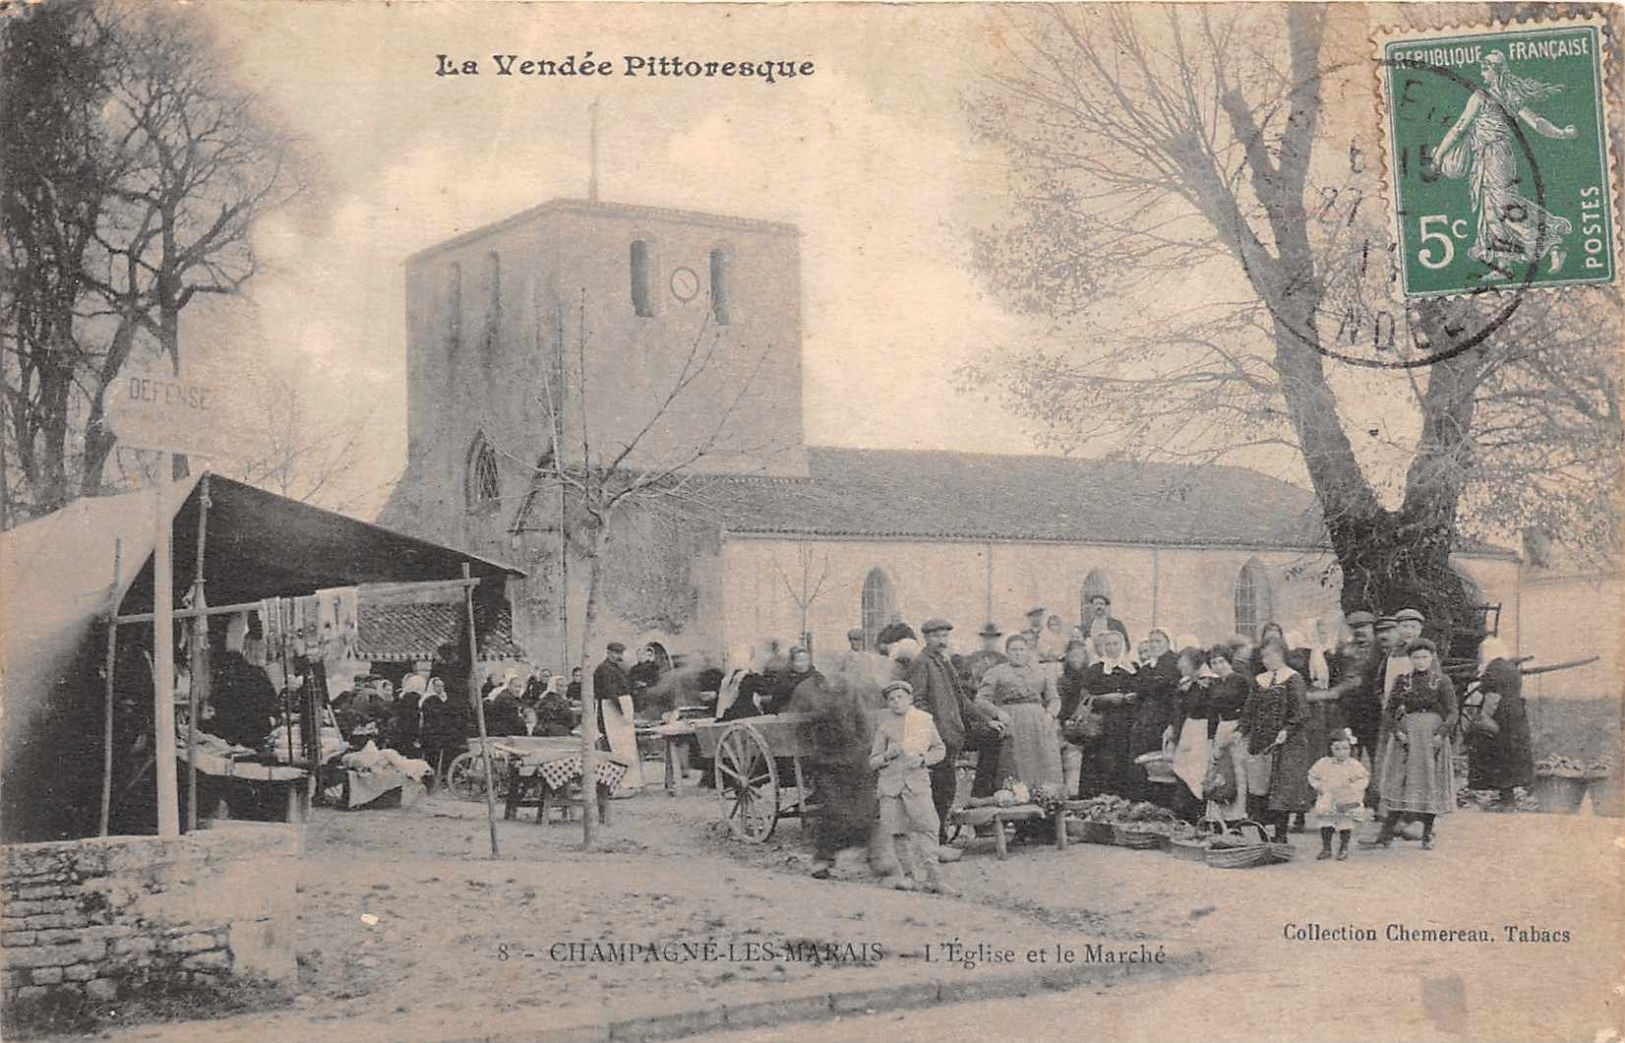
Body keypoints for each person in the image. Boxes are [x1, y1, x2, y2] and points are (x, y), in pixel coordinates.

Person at [1433, 50, 1577, 278]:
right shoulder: (1510, 97)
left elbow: (1459, 127)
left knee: (1504, 206)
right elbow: (1537, 123)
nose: (1482, 72)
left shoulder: (1481, 97)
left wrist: (1439, 155)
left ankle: (1553, 243)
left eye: (1485, 67)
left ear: (1496, 71)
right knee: (1492, 207)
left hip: (1494, 156)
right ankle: (1504, 265)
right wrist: (1561, 133)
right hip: (1494, 156)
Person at [1368, 639, 1457, 851]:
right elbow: (1389, 711)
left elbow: (1453, 711)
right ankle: (1386, 835)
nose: (1421, 661)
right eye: (1416, 657)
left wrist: (1441, 734)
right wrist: (1397, 732)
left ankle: (1428, 834)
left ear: (1432, 657)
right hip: (1407, 735)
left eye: (1425, 657)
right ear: (1410, 659)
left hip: (1431, 736)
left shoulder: (1442, 681)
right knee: (1401, 780)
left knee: (1429, 782)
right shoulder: (1402, 680)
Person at [802, 672, 884, 881]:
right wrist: (816, 755)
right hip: (827, 762)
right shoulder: (812, 698)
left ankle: (869, 856)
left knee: (865, 807)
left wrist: (861, 749)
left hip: (853, 759)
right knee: (833, 810)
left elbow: (865, 725)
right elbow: (802, 730)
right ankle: (823, 859)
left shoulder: (852, 695)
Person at [870, 680, 950, 893]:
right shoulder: (885, 727)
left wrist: (924, 759)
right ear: (888, 703)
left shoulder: (923, 721)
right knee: (897, 831)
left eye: (900, 697)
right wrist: (887, 754)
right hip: (891, 785)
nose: (896, 702)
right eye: (892, 699)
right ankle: (909, 876)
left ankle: (935, 878)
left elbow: (939, 749)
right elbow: (872, 761)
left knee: (928, 827)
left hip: (916, 782)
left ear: (910, 699)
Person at [907, 619, 973, 851]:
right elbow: (917, 701)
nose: (942, 641)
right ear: (926, 637)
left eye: (945, 636)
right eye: (937, 636)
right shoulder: (922, 663)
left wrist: (987, 719)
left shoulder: (943, 663)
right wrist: (932, 731)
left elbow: (961, 699)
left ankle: (939, 833)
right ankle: (935, 837)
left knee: (947, 787)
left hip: (952, 733)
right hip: (937, 737)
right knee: (939, 787)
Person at [1242, 639, 1314, 842]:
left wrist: (1287, 729)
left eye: (1270, 655)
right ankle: (1263, 836)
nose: (1266, 660)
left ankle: (1281, 836)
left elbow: (1301, 711)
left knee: (1281, 790)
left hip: (1287, 743)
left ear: (1281, 655)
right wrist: (1241, 730)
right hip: (1262, 741)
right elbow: (1249, 710)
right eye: (1263, 656)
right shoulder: (1259, 680)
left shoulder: (1293, 678)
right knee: (1260, 787)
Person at [975, 633, 1064, 792]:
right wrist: (997, 713)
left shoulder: (1040, 672)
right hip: (1012, 721)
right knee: (1015, 764)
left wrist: (1050, 714)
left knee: (1043, 762)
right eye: (1013, 650)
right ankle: (1017, 797)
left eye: (1021, 650)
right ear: (1007, 652)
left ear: (1027, 652)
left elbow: (1054, 699)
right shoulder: (996, 672)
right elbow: (981, 700)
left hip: (1039, 723)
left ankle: (1045, 797)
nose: (1018, 653)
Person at [1461, 637, 1534, 808]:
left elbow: (1493, 696)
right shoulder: (1510, 668)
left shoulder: (1493, 669)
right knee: (1511, 754)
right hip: (1515, 716)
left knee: (1498, 754)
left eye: (1481, 652)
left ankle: (1507, 801)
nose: (1479, 656)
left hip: (1500, 715)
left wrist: (1485, 717)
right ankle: (1508, 799)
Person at [1080, 629, 1138, 797]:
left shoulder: (1132, 668)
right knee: (1099, 765)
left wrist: (1131, 697)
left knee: (1121, 764)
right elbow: (1084, 697)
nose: (1112, 648)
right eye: (1108, 645)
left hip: (1124, 725)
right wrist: (1105, 698)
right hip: (1100, 725)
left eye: (1115, 644)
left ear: (1123, 645)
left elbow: (1141, 692)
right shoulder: (1095, 669)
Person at [209, 614, 279, 751]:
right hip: (258, 729)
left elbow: (215, 701)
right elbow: (271, 698)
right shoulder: (257, 673)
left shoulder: (225, 679)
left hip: (233, 732)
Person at [1129, 628, 1181, 803]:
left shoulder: (1174, 663)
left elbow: (1175, 697)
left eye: (1158, 641)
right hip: (1146, 722)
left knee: (1163, 767)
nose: (1154, 645)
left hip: (1164, 720)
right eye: (1151, 641)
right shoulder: (1149, 666)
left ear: (1167, 642)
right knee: (1146, 766)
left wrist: (1172, 724)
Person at [1204, 645, 1250, 824]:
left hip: (1237, 728)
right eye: (1214, 662)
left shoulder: (1240, 681)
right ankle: (1217, 818)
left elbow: (1249, 708)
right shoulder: (1214, 684)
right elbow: (1212, 714)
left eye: (1221, 661)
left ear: (1228, 661)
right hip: (1221, 728)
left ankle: (1237, 817)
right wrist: (1210, 739)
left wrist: (1240, 730)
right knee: (1218, 772)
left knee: (1237, 771)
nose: (1218, 666)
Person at [1307, 730, 1369, 861]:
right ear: (1330, 749)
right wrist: (1319, 787)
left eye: (1346, 748)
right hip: (1328, 798)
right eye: (1337, 749)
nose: (1342, 752)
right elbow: (1312, 775)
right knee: (1326, 822)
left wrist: (1353, 789)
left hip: (1346, 799)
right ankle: (1326, 848)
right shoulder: (1324, 763)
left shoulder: (1354, 765)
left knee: (1345, 823)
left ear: (1350, 749)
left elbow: (1363, 779)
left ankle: (1343, 848)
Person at [593, 642, 644, 793]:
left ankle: (627, 781)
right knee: (612, 745)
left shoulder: (618, 668)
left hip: (620, 708)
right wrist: (622, 711)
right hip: (609, 709)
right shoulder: (603, 669)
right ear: (608, 652)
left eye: (620, 653)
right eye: (615, 653)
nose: (618, 656)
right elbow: (610, 692)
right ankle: (613, 784)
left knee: (625, 745)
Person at [1168, 646, 1211, 820]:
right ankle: (1184, 814)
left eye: (1184, 666)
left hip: (1202, 730)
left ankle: (1198, 814)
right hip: (1187, 730)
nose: (1181, 669)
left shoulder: (1207, 682)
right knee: (1182, 769)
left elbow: (1200, 707)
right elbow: (1178, 709)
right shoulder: (1185, 683)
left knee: (1197, 772)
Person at [1056, 639, 1093, 797]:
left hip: (1089, 724)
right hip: (1070, 724)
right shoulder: (1063, 680)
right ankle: (1071, 793)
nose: (1076, 659)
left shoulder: (1091, 675)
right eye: (1073, 655)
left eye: (1079, 655)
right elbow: (1060, 705)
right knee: (1071, 760)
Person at [418, 676, 462, 783]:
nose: (440, 688)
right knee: (432, 757)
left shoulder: (443, 698)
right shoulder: (429, 699)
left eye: (442, 686)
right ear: (432, 687)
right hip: (431, 732)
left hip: (439, 732)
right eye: (437, 686)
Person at [763, 647, 822, 715]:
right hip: (791, 714)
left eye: (806, 660)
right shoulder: (785, 680)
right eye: (799, 661)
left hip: (813, 715)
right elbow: (776, 703)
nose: (803, 664)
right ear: (792, 662)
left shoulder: (817, 677)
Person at [961, 623, 1007, 690]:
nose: (989, 642)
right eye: (987, 638)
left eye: (992, 638)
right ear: (983, 639)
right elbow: (964, 678)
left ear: (996, 640)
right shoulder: (974, 657)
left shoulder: (1002, 659)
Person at [628, 645, 664, 714]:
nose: (640, 656)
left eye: (642, 654)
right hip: (635, 693)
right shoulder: (633, 668)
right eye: (638, 654)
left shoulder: (653, 667)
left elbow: (657, 680)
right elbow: (629, 680)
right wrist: (634, 684)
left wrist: (645, 684)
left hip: (649, 693)